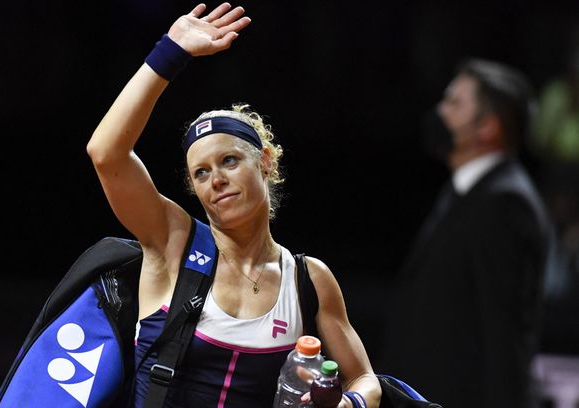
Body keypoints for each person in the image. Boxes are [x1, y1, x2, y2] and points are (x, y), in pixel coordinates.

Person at [87, 3, 381, 407]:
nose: (217, 180)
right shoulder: (173, 242)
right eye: (201, 173)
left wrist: (352, 403)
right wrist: (168, 53)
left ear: (265, 162)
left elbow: (364, 378)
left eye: (228, 161)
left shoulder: (308, 280)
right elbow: (106, 154)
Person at [380, 58, 551, 407]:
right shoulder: (468, 188)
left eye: (454, 103)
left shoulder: (505, 203)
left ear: (487, 126)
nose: (440, 112)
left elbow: (505, 337)